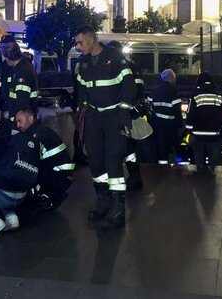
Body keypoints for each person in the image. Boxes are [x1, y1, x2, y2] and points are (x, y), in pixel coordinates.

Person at [74, 26, 135, 229]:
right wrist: (81, 112)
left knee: (113, 160)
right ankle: (104, 201)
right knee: (95, 160)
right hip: (93, 117)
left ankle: (118, 209)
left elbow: (129, 85)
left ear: (91, 40)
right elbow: (82, 90)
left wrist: (124, 111)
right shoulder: (83, 63)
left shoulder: (114, 57)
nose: (78, 46)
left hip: (113, 116)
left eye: (80, 42)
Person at [15, 108, 73, 211]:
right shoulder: (39, 129)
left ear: (30, 119)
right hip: (62, 173)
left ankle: (46, 196)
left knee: (27, 170)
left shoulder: (36, 135)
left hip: (59, 175)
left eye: (20, 121)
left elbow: (30, 160)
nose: (18, 125)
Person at [107, 40, 145, 190]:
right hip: (130, 112)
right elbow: (140, 90)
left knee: (119, 147)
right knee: (129, 147)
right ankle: (134, 175)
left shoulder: (113, 67)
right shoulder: (133, 66)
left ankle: (121, 179)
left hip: (118, 114)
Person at [185, 72, 222, 173]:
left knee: (198, 159)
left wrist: (189, 131)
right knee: (213, 160)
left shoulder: (196, 95)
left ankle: (200, 176)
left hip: (198, 135)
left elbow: (190, 114)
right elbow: (221, 115)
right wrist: (220, 129)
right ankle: (211, 175)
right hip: (214, 135)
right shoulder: (218, 95)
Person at [2, 43, 39, 133]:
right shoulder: (21, 68)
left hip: (22, 122)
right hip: (22, 119)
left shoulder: (22, 72)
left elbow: (22, 101)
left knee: (19, 141)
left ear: (9, 58)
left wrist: (19, 123)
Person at [150, 69, 183, 165]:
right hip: (171, 126)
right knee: (176, 147)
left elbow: (150, 106)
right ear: (171, 78)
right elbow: (177, 111)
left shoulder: (155, 91)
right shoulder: (174, 92)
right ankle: (182, 166)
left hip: (157, 125)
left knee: (162, 150)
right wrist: (180, 125)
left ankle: (161, 168)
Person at [0, 34, 17, 136]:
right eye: (2, 47)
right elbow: (2, 87)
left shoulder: (21, 65)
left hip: (16, 109)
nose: (4, 50)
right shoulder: (4, 64)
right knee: (3, 136)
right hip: (5, 107)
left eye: (7, 47)